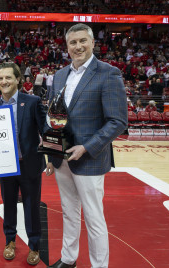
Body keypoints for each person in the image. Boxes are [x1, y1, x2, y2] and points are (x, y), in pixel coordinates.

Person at [47, 23, 127, 268]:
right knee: (69, 212)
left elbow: (118, 121)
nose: (78, 46)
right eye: (73, 42)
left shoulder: (108, 73)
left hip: (89, 158)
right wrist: (50, 151)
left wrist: (87, 147)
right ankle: (69, 259)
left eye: (83, 41)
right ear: (67, 46)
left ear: (93, 43)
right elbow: (53, 115)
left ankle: (99, 266)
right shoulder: (60, 75)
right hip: (62, 158)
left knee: (94, 218)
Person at [0, 62, 50, 266]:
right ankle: (10, 241)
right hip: (5, 166)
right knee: (9, 206)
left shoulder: (32, 102)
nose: (4, 81)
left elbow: (46, 130)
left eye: (8, 77)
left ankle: (34, 246)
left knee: (32, 207)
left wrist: (53, 158)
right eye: (0, 78)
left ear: (17, 80)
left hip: (29, 164)